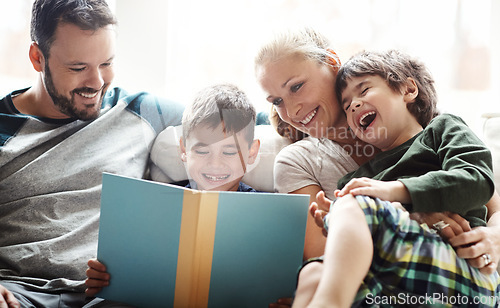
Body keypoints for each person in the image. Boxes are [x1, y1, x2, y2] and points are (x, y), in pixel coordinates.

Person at [254, 28, 500, 308]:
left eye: (296, 86)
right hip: (388, 279)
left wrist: (495, 238)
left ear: (332, 63)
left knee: (352, 204)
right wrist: (331, 219)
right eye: (276, 102)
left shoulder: (432, 127)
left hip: (458, 265)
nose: (292, 110)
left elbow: (483, 190)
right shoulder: (312, 164)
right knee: (313, 272)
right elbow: (332, 252)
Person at [0, 0, 184, 308]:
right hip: (20, 294)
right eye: (78, 68)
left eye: (106, 63)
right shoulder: (4, 128)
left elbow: (232, 116)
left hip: (110, 296)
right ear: (37, 58)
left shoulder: (139, 111)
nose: (97, 82)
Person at [85, 83, 261, 296]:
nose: (215, 164)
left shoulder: (266, 210)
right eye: (202, 151)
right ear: (184, 150)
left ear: (252, 152)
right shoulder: (157, 202)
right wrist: (104, 278)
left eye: (229, 152)